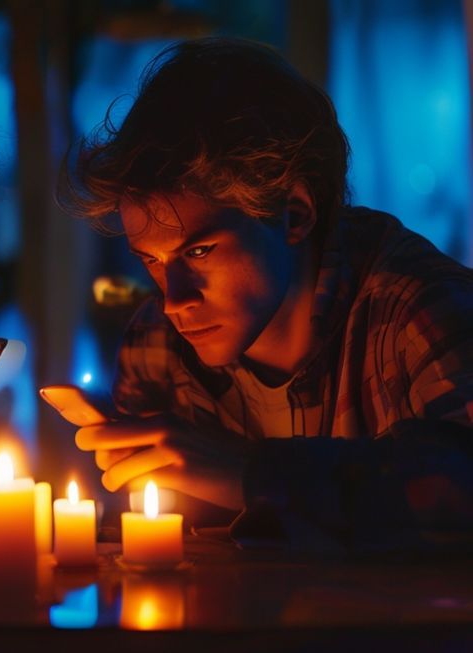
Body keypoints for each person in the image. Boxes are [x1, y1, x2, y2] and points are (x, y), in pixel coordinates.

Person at [60, 38, 473, 551]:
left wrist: (252, 475)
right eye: (152, 260)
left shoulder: (419, 312)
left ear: (294, 215)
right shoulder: (157, 346)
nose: (173, 301)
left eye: (199, 251)